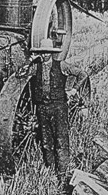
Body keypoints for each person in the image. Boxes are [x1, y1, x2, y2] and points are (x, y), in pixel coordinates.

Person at [31, 39, 91, 184]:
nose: (44, 55)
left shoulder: (62, 65)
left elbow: (83, 74)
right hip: (42, 108)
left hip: (59, 107)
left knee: (61, 140)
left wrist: (74, 90)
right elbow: (21, 74)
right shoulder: (35, 67)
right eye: (42, 52)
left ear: (52, 53)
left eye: (47, 52)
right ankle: (50, 170)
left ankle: (62, 174)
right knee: (46, 141)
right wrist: (29, 62)